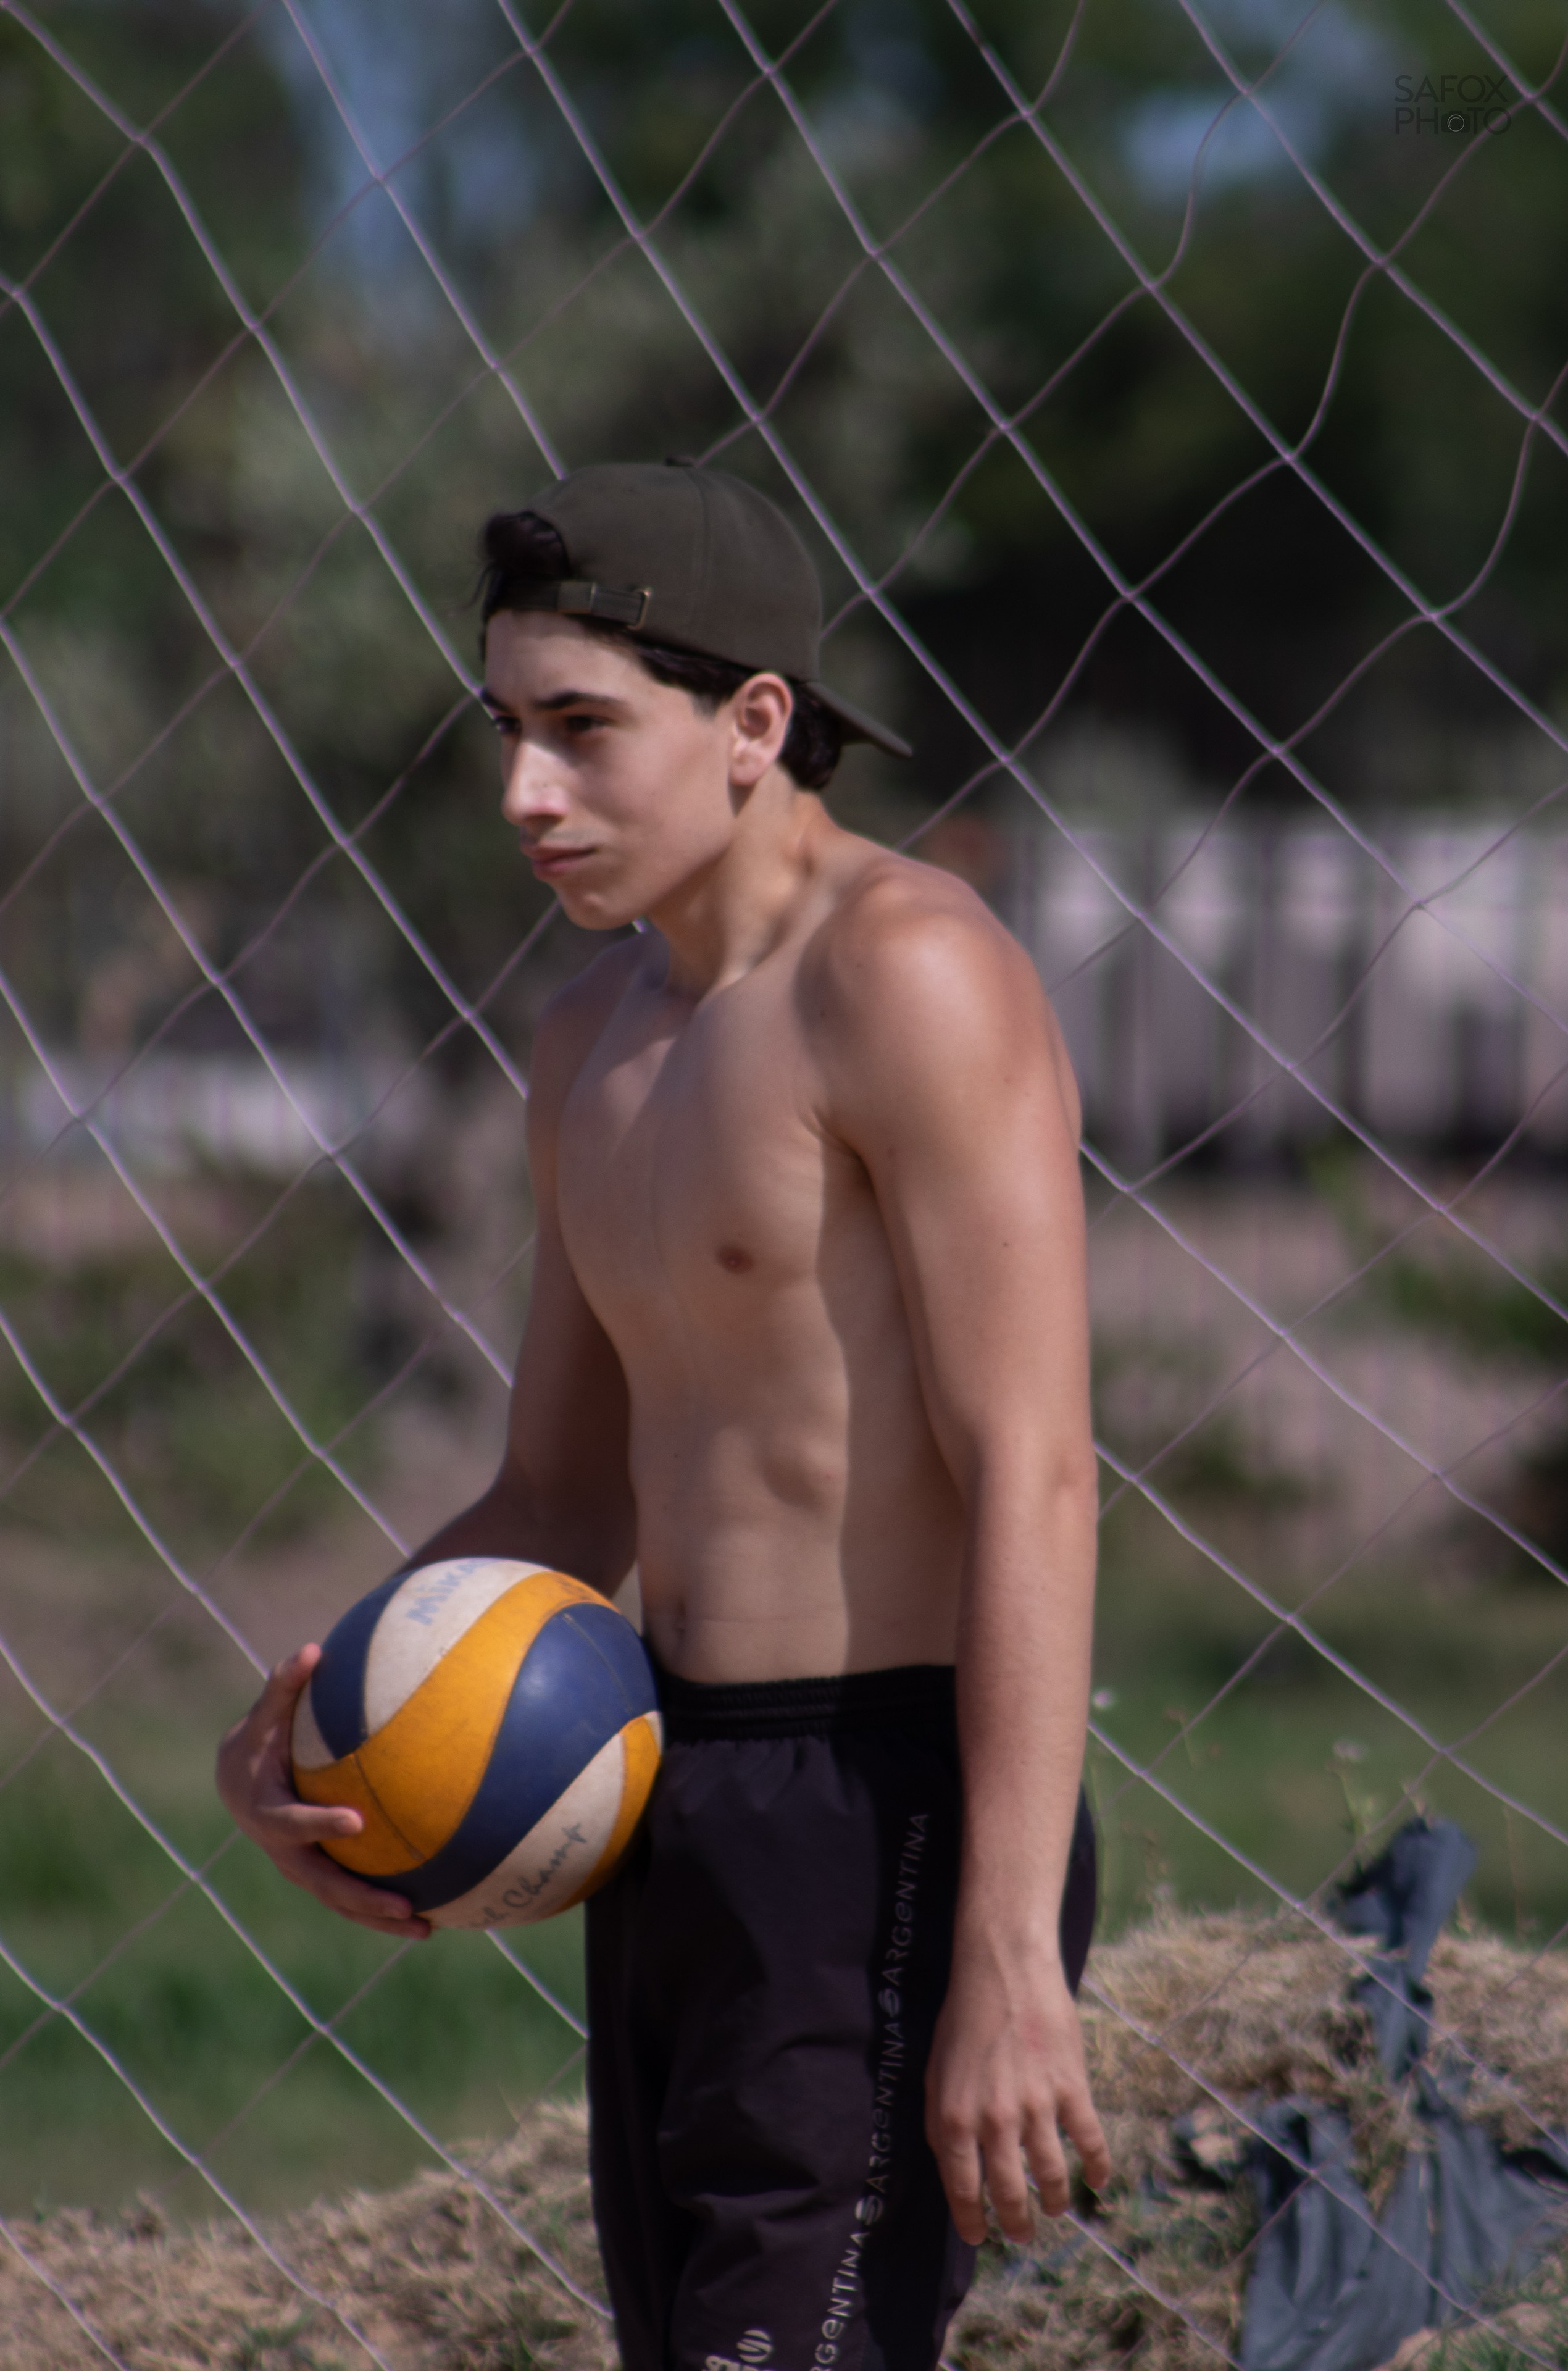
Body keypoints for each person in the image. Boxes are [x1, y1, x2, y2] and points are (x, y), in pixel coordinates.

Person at [217, 459, 1110, 2371]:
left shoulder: (914, 976)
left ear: (753, 725)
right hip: (664, 1797)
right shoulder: (588, 1056)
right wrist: (315, 1734)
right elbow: (556, 1495)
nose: (529, 793)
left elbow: (1034, 1473)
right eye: (511, 733)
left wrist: (1010, 1949)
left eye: (584, 732)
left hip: (891, 1810)